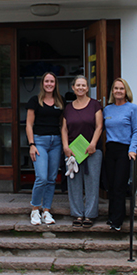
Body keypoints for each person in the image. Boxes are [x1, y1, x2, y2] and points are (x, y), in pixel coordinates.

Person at [61, 75, 103, 227]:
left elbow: (99, 126)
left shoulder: (95, 105)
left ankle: (90, 215)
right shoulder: (68, 108)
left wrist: (93, 144)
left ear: (87, 88)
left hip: (92, 150)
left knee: (92, 182)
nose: (80, 88)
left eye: (83, 85)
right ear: (73, 88)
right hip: (73, 152)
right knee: (74, 182)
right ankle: (78, 214)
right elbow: (64, 129)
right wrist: (66, 147)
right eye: (78, 85)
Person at [102, 78, 137, 231]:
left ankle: (117, 221)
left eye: (121, 88)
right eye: (116, 88)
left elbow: (136, 131)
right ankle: (112, 216)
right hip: (110, 149)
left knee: (119, 185)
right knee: (110, 185)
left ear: (126, 91)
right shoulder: (107, 110)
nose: (118, 91)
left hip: (125, 150)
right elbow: (100, 129)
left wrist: (133, 149)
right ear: (112, 91)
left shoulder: (132, 108)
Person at [25, 72, 64, 225]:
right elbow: (29, 124)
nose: (49, 84)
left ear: (55, 84)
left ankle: (46, 211)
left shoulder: (60, 101)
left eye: (52, 81)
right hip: (39, 141)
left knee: (52, 179)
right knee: (41, 177)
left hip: (56, 142)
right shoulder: (35, 101)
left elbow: (63, 124)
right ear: (42, 83)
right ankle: (35, 209)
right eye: (47, 81)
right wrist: (31, 144)